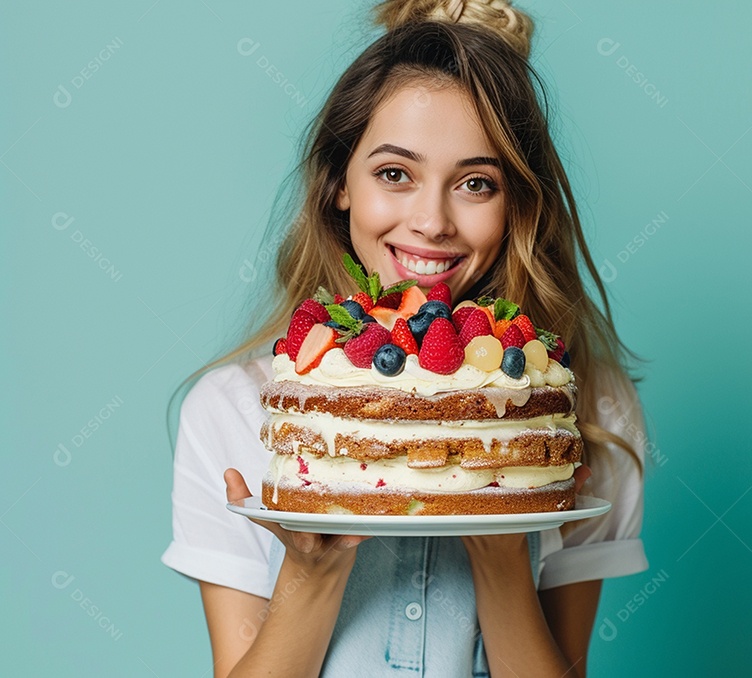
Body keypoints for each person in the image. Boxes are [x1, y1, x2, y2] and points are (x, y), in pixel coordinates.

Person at [162, 1, 650, 675]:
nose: (431, 221)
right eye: (396, 173)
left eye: (476, 184)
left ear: (517, 205)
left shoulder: (583, 414)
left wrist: (505, 536)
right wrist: (312, 570)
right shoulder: (237, 411)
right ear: (340, 184)